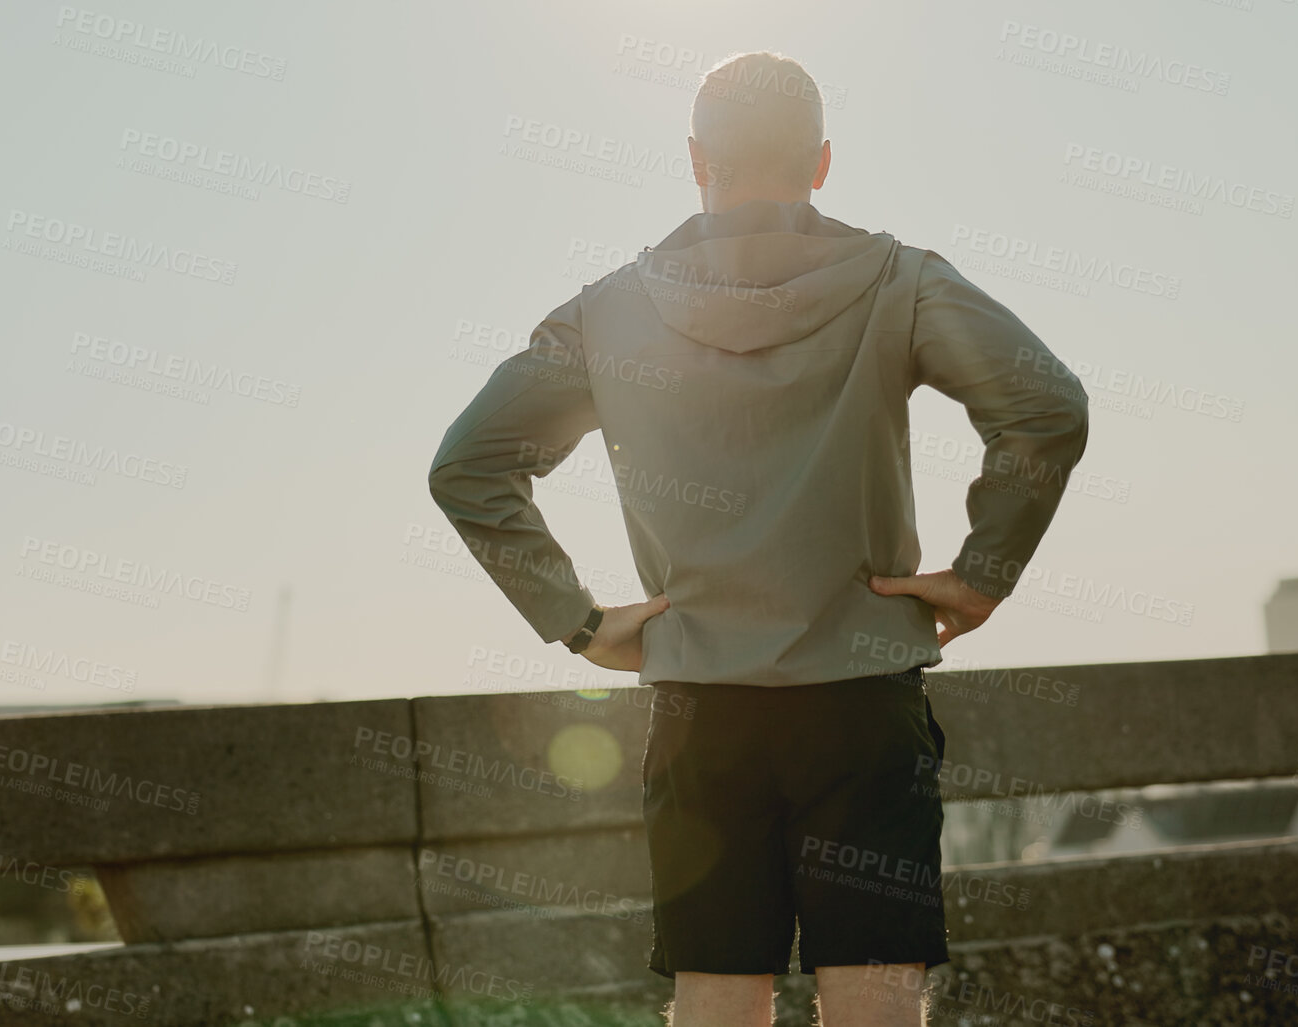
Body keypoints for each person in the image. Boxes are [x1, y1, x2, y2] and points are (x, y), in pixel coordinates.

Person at [428, 50, 1090, 1027]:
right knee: (876, 984)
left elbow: (469, 464)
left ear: (696, 158)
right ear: (822, 162)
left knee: (717, 988)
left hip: (701, 701)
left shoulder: (610, 310)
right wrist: (981, 572)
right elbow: (1047, 404)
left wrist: (575, 620)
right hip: (863, 696)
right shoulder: (899, 282)